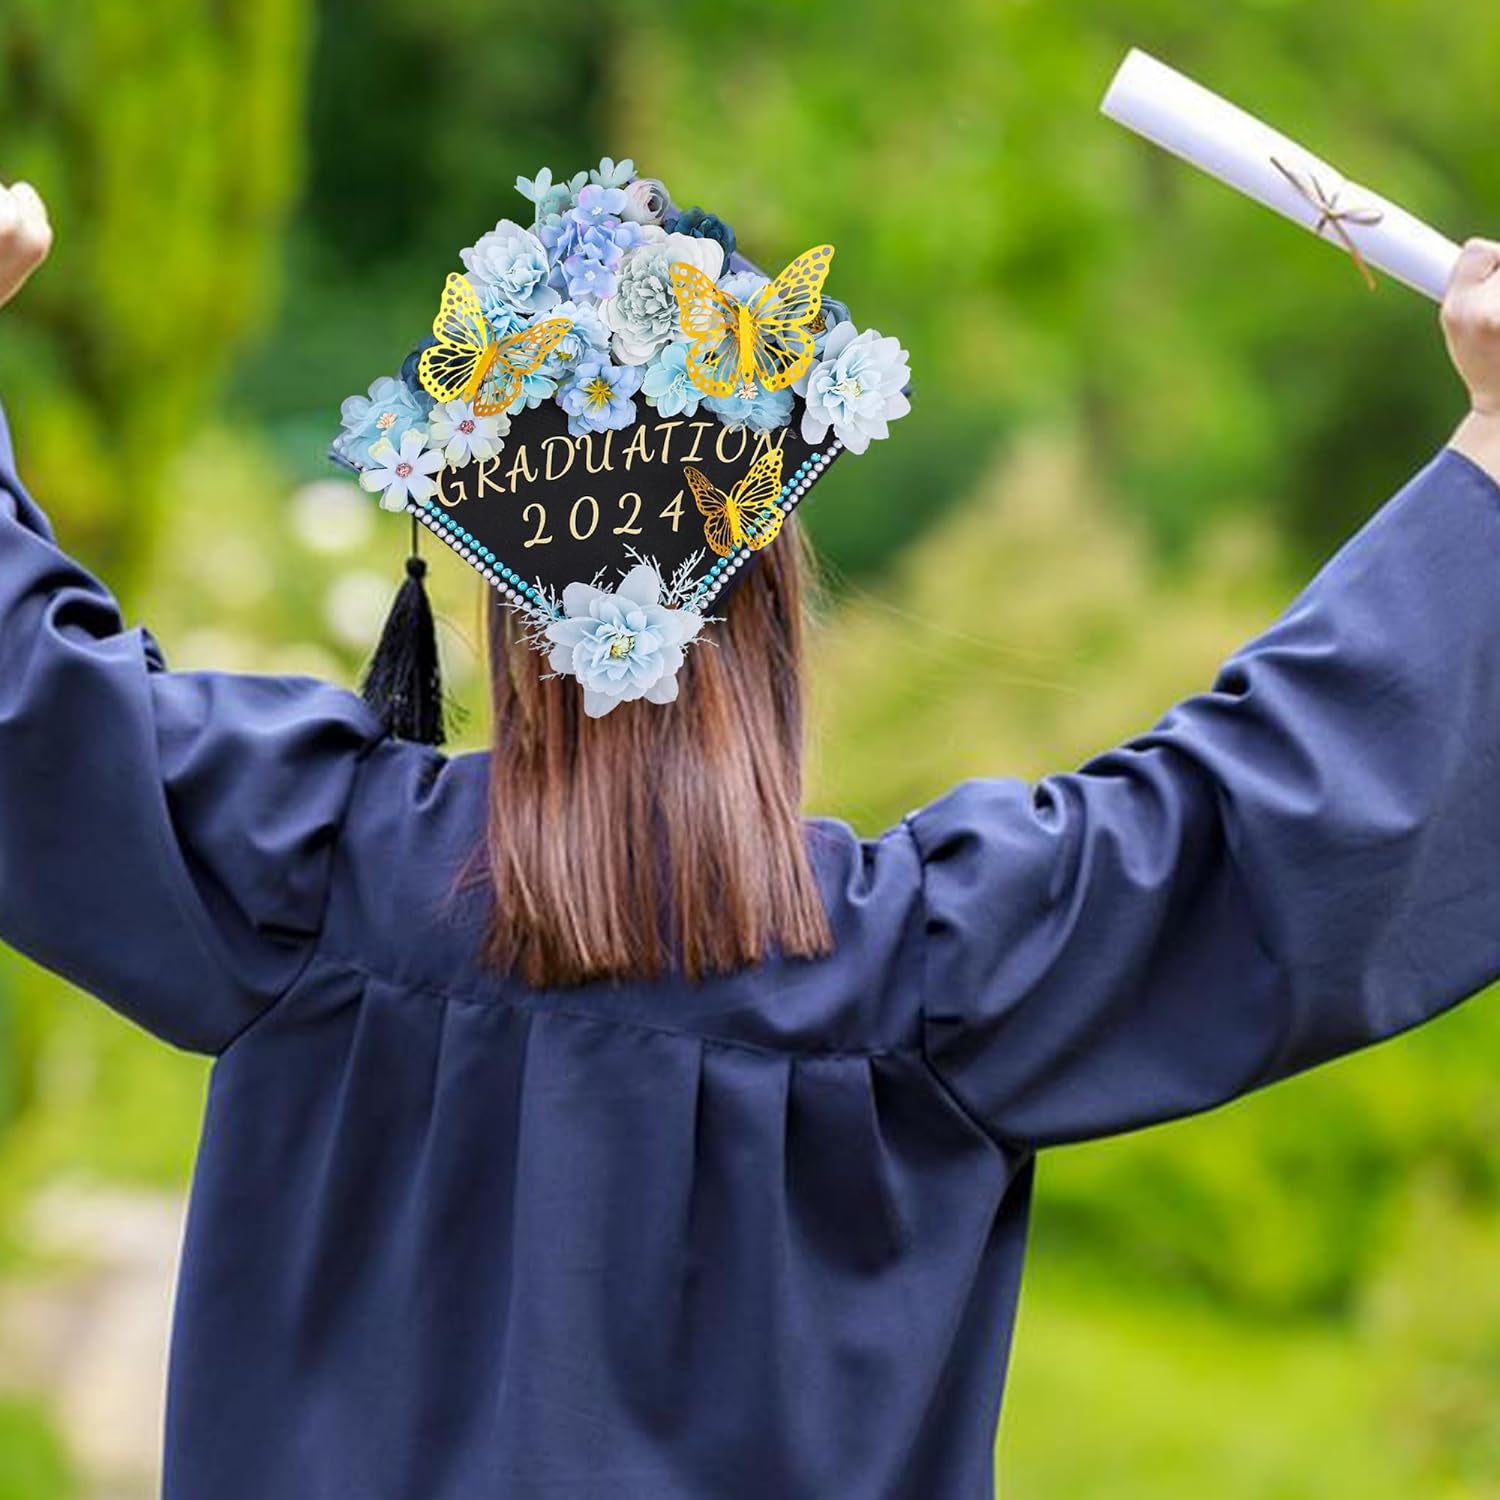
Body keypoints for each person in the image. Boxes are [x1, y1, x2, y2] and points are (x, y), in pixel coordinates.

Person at [2, 173, 1500, 1500]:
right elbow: (1274, 820)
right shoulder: (934, 968)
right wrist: (1490, 463)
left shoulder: (306, 876)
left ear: (504, 598)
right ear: (771, 593)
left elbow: (30, 694)